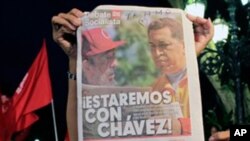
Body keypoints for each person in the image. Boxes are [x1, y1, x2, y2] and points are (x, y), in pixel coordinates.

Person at [52, 8, 215, 141]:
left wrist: (189, 52)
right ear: (86, 66)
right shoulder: (155, 88)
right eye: (107, 57)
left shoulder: (158, 90)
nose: (115, 63)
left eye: (114, 55)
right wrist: (74, 60)